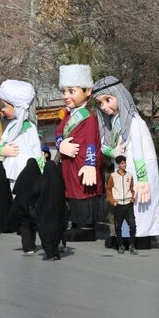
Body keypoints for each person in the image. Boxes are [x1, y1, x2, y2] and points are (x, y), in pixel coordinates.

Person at [92, 75, 159, 250]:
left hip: (140, 169)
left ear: (120, 96)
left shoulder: (135, 122)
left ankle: (141, 237)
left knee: (140, 205)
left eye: (108, 100)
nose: (104, 107)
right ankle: (127, 236)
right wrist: (112, 152)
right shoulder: (115, 121)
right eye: (100, 103)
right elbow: (106, 148)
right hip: (124, 170)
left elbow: (139, 152)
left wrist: (144, 180)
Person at [56, 64, 104, 242]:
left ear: (87, 91)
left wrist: (90, 165)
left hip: (82, 163)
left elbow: (92, 141)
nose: (66, 96)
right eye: (65, 92)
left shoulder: (88, 116)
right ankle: (76, 224)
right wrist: (61, 145)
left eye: (71, 91)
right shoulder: (67, 116)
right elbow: (59, 132)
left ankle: (86, 227)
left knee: (84, 193)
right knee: (72, 193)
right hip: (69, 164)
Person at [0, 80, 43, 190]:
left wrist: (40, 169)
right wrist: (3, 150)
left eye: (5, 106)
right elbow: (2, 143)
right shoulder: (11, 126)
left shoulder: (30, 128)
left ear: (17, 107)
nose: (3, 110)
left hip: (25, 170)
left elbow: (36, 149)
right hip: (10, 169)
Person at [32, 160, 66, 260]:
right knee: (55, 230)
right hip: (57, 209)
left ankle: (50, 252)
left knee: (44, 230)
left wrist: (33, 202)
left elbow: (35, 191)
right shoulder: (59, 179)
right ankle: (54, 252)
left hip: (44, 210)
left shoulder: (43, 179)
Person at [105, 155, 138, 255]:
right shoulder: (113, 176)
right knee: (118, 226)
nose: (125, 165)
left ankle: (132, 246)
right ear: (118, 164)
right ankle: (121, 245)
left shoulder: (130, 175)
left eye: (125, 163)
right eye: (123, 163)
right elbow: (108, 189)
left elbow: (132, 188)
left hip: (128, 204)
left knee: (132, 225)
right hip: (118, 204)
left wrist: (132, 197)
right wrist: (112, 201)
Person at [12, 158, 42, 254]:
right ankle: (32, 244)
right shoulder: (38, 176)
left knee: (25, 226)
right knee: (33, 226)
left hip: (22, 205)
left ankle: (28, 247)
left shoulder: (22, 175)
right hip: (34, 206)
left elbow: (15, 190)